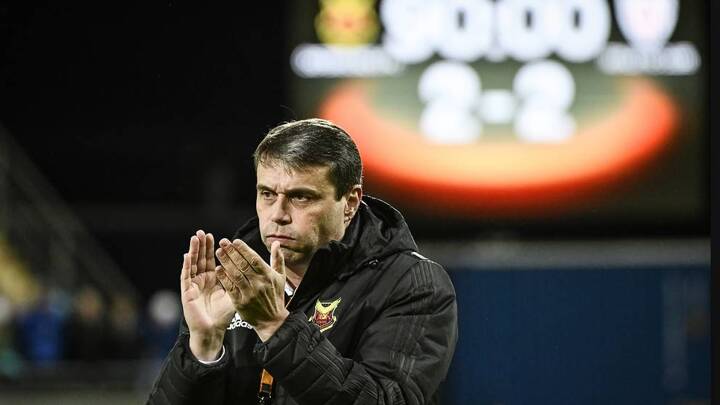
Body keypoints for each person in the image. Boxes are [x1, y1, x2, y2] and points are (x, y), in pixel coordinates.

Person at [147, 118, 457, 404]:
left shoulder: (412, 284)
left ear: (350, 202)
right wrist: (202, 348)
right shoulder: (232, 280)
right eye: (267, 194)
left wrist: (275, 326)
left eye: (300, 197)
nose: (278, 214)